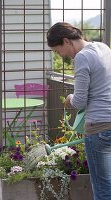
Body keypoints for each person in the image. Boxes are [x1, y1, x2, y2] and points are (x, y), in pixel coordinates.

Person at [47, 22, 111, 200]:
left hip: (99, 128)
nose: (61, 55)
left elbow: (80, 101)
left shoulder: (82, 57)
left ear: (67, 41)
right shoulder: (103, 47)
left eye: (58, 51)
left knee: (103, 189)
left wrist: (70, 99)